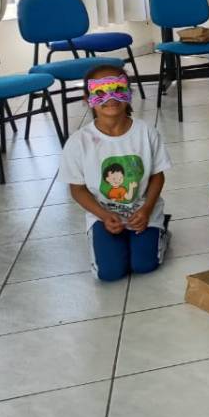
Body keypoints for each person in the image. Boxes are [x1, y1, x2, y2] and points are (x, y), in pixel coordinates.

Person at [61, 65, 171, 281]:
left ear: (129, 93)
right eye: (100, 92)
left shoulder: (146, 133)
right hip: (102, 215)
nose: (110, 98)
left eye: (118, 89)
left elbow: (157, 176)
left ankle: (161, 228)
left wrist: (147, 209)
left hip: (143, 211)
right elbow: (77, 189)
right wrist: (103, 216)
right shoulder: (78, 143)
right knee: (109, 272)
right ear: (87, 99)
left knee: (144, 265)